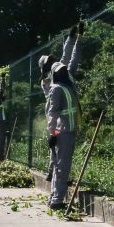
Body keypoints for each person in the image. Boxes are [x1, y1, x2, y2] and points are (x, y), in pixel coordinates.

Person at [39, 21, 83, 181]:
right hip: (56, 118)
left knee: (59, 150)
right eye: (49, 62)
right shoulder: (48, 81)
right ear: (44, 67)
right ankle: (55, 175)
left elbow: (69, 56)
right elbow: (67, 58)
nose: (53, 61)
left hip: (66, 118)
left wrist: (73, 38)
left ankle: (55, 175)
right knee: (56, 146)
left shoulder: (61, 72)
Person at [46, 59, 80, 211]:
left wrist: (75, 40)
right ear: (54, 74)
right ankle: (57, 200)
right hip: (63, 133)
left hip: (67, 131)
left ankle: (54, 198)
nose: (63, 72)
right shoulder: (57, 89)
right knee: (62, 167)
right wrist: (52, 133)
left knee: (59, 166)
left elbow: (72, 63)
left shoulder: (67, 85)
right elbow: (52, 113)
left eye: (63, 70)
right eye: (59, 71)